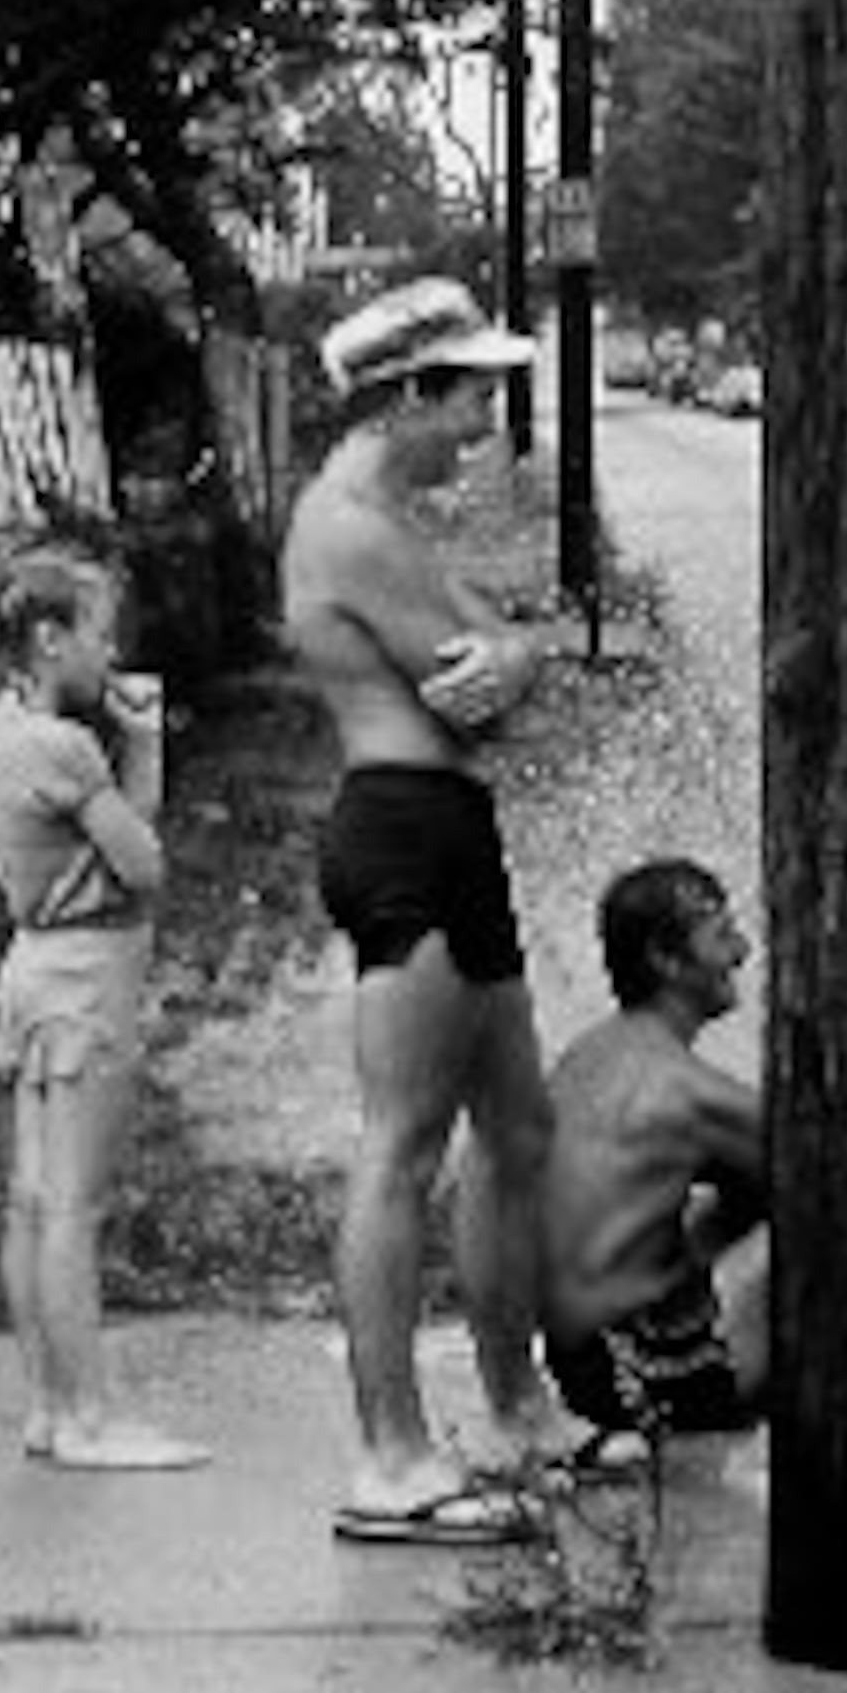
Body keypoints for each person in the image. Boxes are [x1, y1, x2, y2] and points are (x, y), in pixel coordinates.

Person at [281, 275, 569, 1543]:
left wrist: (518, 649)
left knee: (517, 1125)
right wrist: (514, 653)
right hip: (402, 833)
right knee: (403, 1144)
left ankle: (518, 1406)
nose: (484, 426)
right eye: (469, 398)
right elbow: (482, 683)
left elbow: (511, 655)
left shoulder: (394, 515)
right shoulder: (352, 527)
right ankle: (390, 1459)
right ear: (409, 395)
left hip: (451, 829)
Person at [0, 549, 209, 1471]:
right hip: (88, 978)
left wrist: (134, 738)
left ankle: (47, 1403)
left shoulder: (2, 728)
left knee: (33, 1200)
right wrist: (140, 744)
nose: (110, 652)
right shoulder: (66, 748)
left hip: (34, 970)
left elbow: (122, 839)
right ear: (49, 638)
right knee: (75, 1205)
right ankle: (89, 1419)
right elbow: (145, 863)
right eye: (98, 633)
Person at [540, 858, 769, 1445]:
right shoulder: (689, 1094)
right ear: (666, 960)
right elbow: (831, 1186)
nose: (743, 952)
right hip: (649, 1384)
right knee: (843, 1232)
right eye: (722, 936)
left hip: (579, 1368)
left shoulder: (584, 1057)